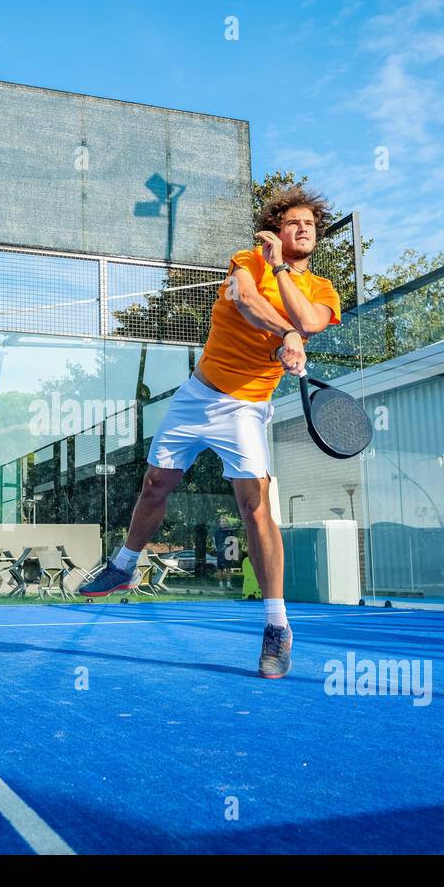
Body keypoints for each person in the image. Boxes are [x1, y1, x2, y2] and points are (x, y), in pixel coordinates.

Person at [80, 186, 341, 678]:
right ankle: (123, 564)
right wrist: (287, 332)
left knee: (254, 507)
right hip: (198, 394)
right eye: (292, 223)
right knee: (156, 483)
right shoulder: (246, 260)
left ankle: (276, 626)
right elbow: (244, 302)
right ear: (274, 230)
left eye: (309, 224)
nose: (303, 228)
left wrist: (286, 285)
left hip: (246, 408)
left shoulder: (323, 290)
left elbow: (308, 320)